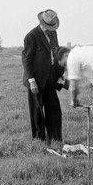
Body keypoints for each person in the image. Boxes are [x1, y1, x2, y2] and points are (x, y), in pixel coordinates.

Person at [21, 9, 69, 143]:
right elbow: (26, 59)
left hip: (50, 77)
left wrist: (60, 74)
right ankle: (39, 141)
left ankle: (55, 139)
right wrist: (32, 81)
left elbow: (56, 53)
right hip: (36, 79)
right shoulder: (31, 36)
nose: (50, 29)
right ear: (42, 23)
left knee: (54, 109)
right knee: (37, 111)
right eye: (48, 26)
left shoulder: (53, 33)